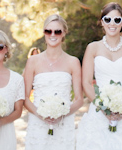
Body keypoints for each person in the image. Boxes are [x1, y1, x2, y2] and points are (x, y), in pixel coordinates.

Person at [76, 3, 122, 150]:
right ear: (102, 22)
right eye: (107, 19)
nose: (112, 24)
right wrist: (102, 107)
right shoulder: (93, 48)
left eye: (117, 20)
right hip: (99, 113)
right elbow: (86, 82)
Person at [23, 13, 83, 150]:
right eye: (48, 31)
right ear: (44, 33)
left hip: (63, 124)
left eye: (57, 31)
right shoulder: (33, 61)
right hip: (38, 124)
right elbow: (25, 98)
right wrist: (40, 114)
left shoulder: (73, 62)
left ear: (64, 34)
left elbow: (79, 99)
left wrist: (63, 113)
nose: (52, 34)